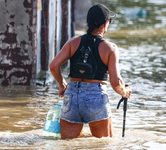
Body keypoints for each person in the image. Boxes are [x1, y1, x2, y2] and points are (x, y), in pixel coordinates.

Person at [49, 4, 132, 139]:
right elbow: (116, 83)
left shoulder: (72, 42)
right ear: (105, 24)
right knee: (104, 145)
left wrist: (62, 84)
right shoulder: (110, 48)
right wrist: (125, 92)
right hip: (96, 97)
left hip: (71, 97)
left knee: (68, 146)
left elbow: (53, 66)